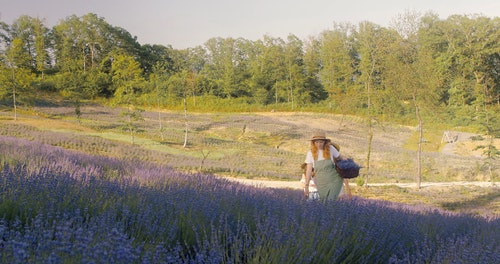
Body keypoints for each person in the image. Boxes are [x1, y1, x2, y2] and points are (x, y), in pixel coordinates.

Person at [303, 130, 344, 201]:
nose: (319, 144)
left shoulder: (331, 149)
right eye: (317, 142)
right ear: (313, 143)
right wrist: (306, 186)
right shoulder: (310, 153)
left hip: (334, 180)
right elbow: (309, 170)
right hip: (321, 182)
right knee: (324, 202)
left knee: (331, 202)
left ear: (325, 142)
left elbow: (340, 159)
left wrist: (346, 166)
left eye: (321, 142)